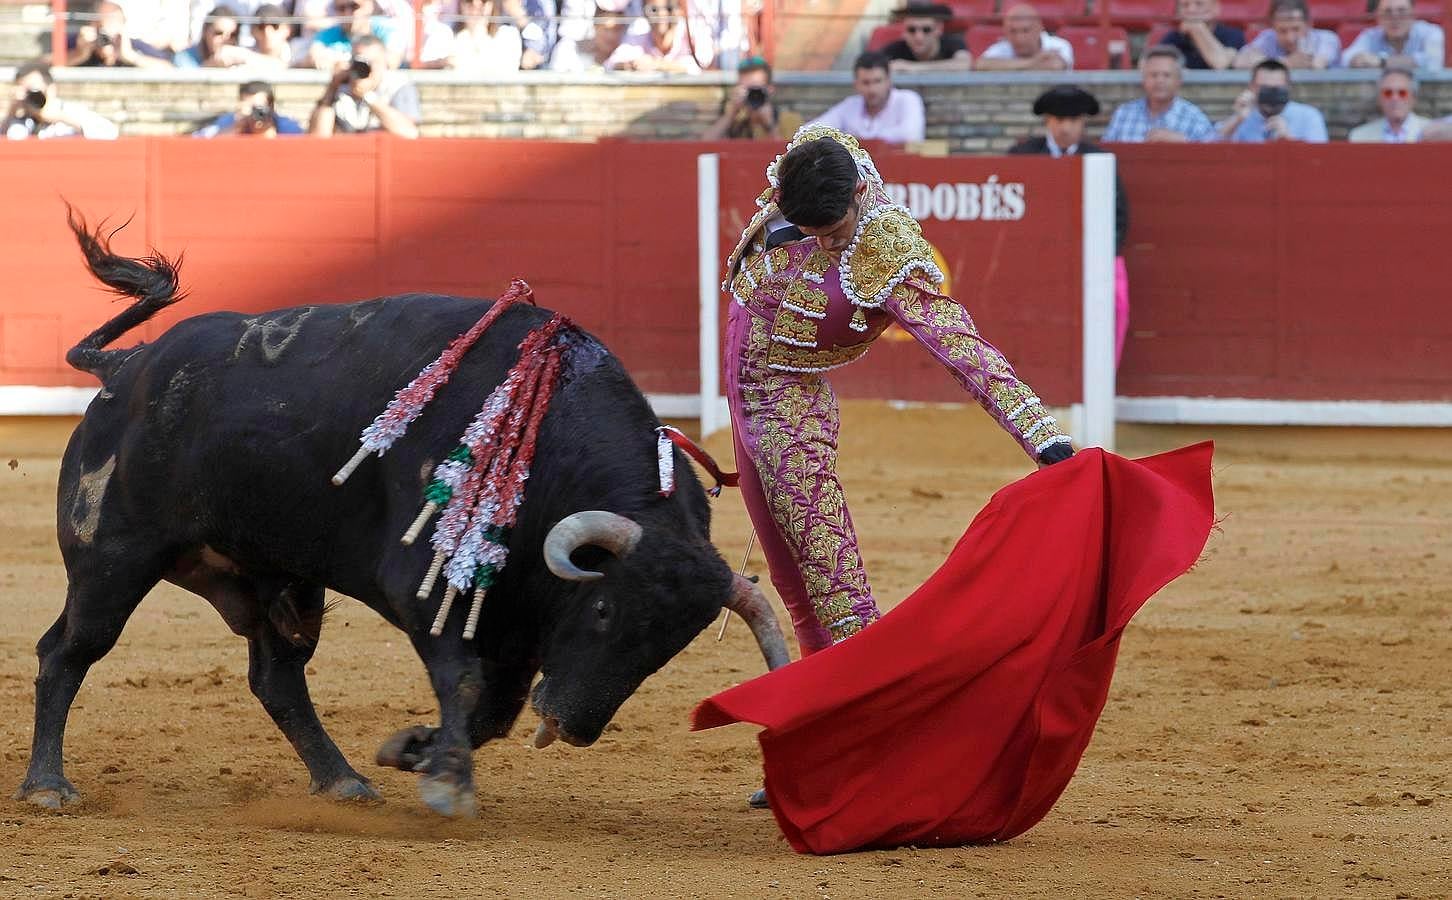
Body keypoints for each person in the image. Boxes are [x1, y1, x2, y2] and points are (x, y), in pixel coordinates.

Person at [722, 125, 1075, 810]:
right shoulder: (819, 149)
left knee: (841, 598)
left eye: (832, 229)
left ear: (859, 193)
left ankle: (892, 752)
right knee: (800, 596)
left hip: (789, 419)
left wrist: (1045, 439)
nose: (823, 242)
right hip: (746, 411)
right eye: (806, 227)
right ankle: (822, 749)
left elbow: (962, 349)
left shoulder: (888, 254)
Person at [1010, 86, 1130, 365]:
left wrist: (1100, 255)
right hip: (1033, 256)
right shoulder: (1021, 157)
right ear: (1047, 122)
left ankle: (1101, 371)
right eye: (1058, 120)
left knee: (1115, 303)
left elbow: (1120, 215)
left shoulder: (1100, 159)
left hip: (1091, 256)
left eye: (1073, 121)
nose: (1065, 128)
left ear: (1082, 123)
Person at [309, 34, 421, 137]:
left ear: (384, 63)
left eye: (372, 62)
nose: (366, 68)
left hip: (388, 154)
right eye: (360, 62)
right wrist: (332, 88)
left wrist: (368, 96)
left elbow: (409, 133)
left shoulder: (397, 84)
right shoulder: (342, 84)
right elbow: (318, 137)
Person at [1103, 46, 1216, 142]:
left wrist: (1184, 142)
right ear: (1143, 79)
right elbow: (1106, 154)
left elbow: (1212, 157)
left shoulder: (1194, 117)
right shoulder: (1124, 114)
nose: (1159, 81)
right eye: (1153, 75)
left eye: (1166, 75)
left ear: (1179, 80)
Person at [808, 51, 925, 144]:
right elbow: (811, 130)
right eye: (866, 82)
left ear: (889, 81)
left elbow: (911, 135)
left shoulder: (908, 99)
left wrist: (856, 140)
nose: (872, 89)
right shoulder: (850, 105)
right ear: (856, 85)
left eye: (877, 81)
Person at [3, 60, 120, 140]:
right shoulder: (20, 120)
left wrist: (61, 117)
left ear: (51, 89)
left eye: (32, 89)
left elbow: (110, 133)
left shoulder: (72, 112)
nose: (28, 95)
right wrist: (12, 111)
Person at [1218, 58, 1327, 141]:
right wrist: (1236, 120)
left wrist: (1288, 139)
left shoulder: (1309, 116)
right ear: (1251, 87)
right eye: (1264, 88)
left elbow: (1320, 160)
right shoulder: (1243, 115)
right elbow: (1209, 151)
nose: (1270, 94)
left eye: (1276, 89)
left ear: (1288, 87)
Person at [701, 55, 802, 140]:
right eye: (746, 89)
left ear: (770, 89)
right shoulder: (737, 122)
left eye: (756, 89)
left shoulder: (790, 120)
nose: (752, 94)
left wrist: (770, 126)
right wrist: (730, 115)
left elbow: (792, 158)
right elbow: (704, 147)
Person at [604, 0, 712, 72]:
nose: (661, 14)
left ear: (679, 10)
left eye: (669, 8)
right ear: (644, 11)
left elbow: (702, 64)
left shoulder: (692, 29)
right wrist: (632, 64)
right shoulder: (640, 29)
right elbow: (611, 64)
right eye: (654, 9)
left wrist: (657, 65)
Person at [67, 0, 175, 68]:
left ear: (122, 28)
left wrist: (131, 57)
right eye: (101, 30)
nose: (105, 39)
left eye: (110, 34)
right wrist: (78, 55)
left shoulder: (132, 46)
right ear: (92, 25)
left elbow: (170, 70)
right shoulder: (79, 43)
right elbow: (51, 66)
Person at [1233, 0, 1339, 69]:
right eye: (1283, 30)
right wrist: (1285, 62)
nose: (1290, 38)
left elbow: (1317, 66)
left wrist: (1268, 63)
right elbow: (1240, 62)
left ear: (1309, 24)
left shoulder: (1327, 38)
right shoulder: (1268, 37)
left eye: (1296, 29)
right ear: (1273, 27)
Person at [1341, 0, 1444, 69]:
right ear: (1378, 16)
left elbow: (1433, 62)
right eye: (1387, 12)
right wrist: (1357, 59)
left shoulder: (1431, 32)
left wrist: (1382, 62)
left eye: (1402, 11)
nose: (1395, 18)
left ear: (1413, 14)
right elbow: (1346, 59)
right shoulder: (1370, 35)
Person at [309, 0, 405, 70]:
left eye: (354, 6)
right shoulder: (327, 34)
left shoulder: (387, 29)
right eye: (341, 8)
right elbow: (314, 57)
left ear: (370, 5)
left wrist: (343, 64)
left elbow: (392, 61)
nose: (348, 13)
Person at [975, 3, 1073, 71]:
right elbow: (981, 65)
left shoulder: (1059, 44)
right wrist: (1033, 61)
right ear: (1005, 31)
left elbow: (1054, 66)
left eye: (1026, 30)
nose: (1019, 38)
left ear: (1039, 28)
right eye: (1013, 31)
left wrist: (1005, 67)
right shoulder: (1003, 47)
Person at [880, 2, 972, 73]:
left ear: (939, 29)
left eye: (926, 30)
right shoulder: (894, 49)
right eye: (911, 30)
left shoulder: (953, 43)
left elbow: (964, 64)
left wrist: (913, 67)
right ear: (904, 31)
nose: (918, 37)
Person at [191, 80, 305, 136]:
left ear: (271, 107)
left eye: (259, 107)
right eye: (250, 107)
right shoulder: (231, 121)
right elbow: (202, 142)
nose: (256, 113)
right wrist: (236, 126)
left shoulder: (285, 124)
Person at [1157, 0, 1243, 70]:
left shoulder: (1233, 35)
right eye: (1185, 5)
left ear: (1215, 8)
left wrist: (1197, 29)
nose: (1191, 10)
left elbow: (1221, 64)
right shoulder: (1172, 39)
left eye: (1199, 4)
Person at [550, 0, 634, 71]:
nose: (610, 36)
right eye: (606, 29)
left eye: (617, 30)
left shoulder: (630, 56)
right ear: (595, 27)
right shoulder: (568, 49)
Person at [1348, 67, 1427, 142]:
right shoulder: (1359, 137)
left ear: (1413, 98)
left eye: (1402, 93)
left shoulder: (1433, 132)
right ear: (1379, 99)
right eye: (1388, 93)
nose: (1395, 98)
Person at [447, 0, 526, 74]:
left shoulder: (508, 36)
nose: (476, 4)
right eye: (469, 0)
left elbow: (506, 70)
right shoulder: (448, 36)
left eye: (484, 0)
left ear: (492, 4)